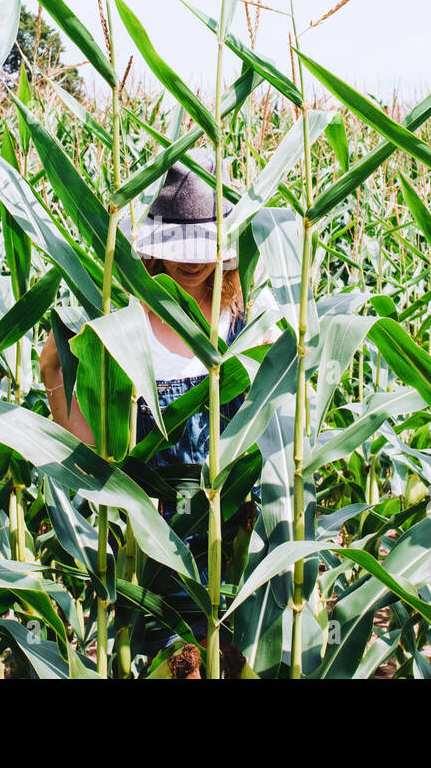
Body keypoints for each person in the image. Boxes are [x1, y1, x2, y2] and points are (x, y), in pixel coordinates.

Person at [38, 150, 280, 654]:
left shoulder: (246, 326)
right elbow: (89, 447)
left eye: (203, 248)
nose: (192, 262)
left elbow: (277, 435)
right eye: (179, 249)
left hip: (229, 552)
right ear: (152, 251)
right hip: (152, 550)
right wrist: (54, 372)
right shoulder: (127, 330)